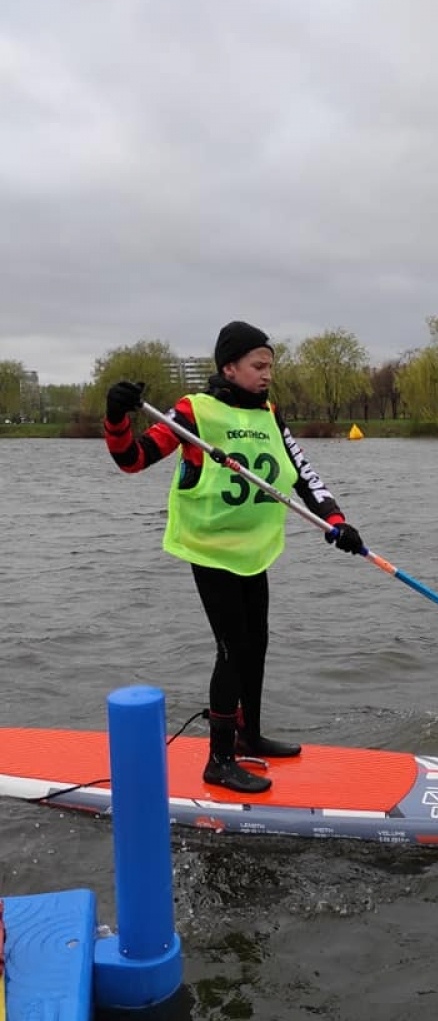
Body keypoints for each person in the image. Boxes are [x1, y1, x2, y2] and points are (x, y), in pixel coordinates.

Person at [104, 320, 364, 795]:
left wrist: (336, 520)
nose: (267, 374)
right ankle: (219, 760)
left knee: (258, 642)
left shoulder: (269, 412)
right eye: (258, 365)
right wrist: (117, 417)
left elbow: (304, 474)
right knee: (233, 648)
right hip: (208, 546)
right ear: (229, 366)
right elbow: (133, 459)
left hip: (254, 548)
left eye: (270, 366)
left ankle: (250, 736)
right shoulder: (193, 412)